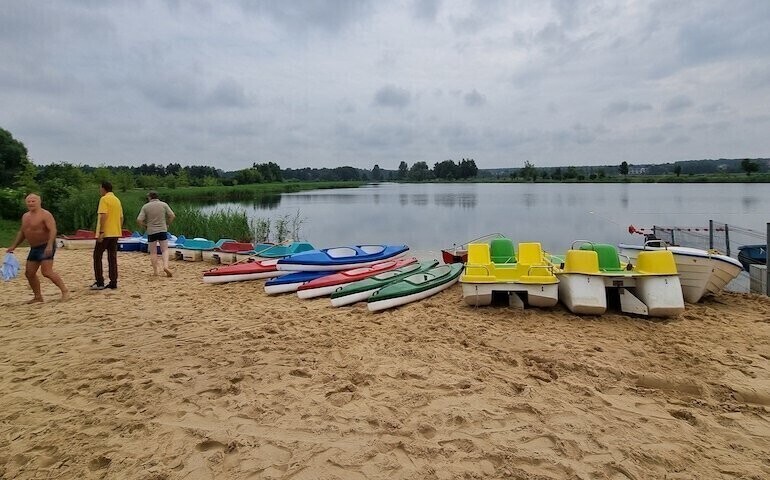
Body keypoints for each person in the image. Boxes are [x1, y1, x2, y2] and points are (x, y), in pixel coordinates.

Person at [6, 194, 70, 303]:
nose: (31, 203)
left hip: (46, 245)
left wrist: (50, 245)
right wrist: (14, 246)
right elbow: (22, 232)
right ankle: (38, 296)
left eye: (33, 201)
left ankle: (65, 291)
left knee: (47, 272)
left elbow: (53, 230)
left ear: (39, 202)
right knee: (29, 273)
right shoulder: (25, 216)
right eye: (29, 201)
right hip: (34, 247)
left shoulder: (46, 214)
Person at [92, 181, 123, 290]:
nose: (99, 190)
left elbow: (103, 216)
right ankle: (113, 281)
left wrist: (101, 232)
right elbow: (121, 217)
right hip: (115, 232)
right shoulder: (117, 200)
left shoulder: (104, 199)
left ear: (104, 189)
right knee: (112, 257)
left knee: (97, 256)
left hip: (106, 233)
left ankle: (100, 281)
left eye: (100, 188)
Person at [137, 191, 176, 277]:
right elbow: (172, 215)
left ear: (149, 197)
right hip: (162, 229)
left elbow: (139, 220)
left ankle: (155, 271)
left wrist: (145, 226)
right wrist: (168, 224)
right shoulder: (163, 205)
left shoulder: (146, 206)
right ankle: (165, 266)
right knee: (165, 250)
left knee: (153, 252)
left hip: (151, 231)